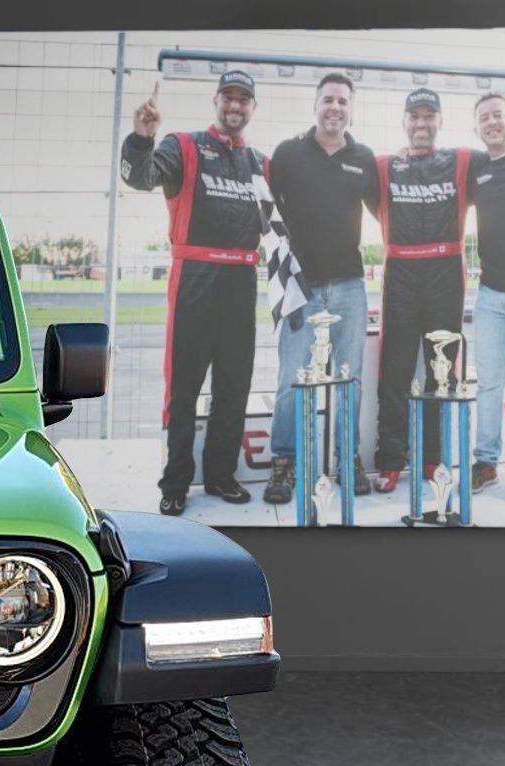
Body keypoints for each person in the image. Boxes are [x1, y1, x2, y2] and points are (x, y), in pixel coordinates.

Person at [121, 71, 266, 516]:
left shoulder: (262, 163)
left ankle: (221, 475)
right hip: (195, 278)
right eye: (229, 97)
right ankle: (176, 482)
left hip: (242, 281)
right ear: (216, 101)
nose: (235, 105)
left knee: (233, 387)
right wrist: (142, 138)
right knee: (182, 388)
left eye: (244, 99)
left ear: (252, 108)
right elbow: (140, 177)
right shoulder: (184, 145)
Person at [264, 73, 377, 504]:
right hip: (300, 285)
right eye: (328, 99)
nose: (335, 107)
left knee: (348, 379)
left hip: (350, 284)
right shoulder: (289, 153)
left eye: (343, 101)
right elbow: (264, 213)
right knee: (292, 379)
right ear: (316, 104)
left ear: (351, 108)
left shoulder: (363, 157)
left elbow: (388, 214)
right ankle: (285, 460)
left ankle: (347, 459)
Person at [371, 88, 477, 493]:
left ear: (439, 121)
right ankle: (391, 459)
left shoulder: (463, 160)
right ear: (403, 121)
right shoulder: (383, 166)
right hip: (400, 273)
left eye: (428, 116)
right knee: (394, 372)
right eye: (414, 116)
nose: (421, 123)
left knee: (441, 374)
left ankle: (433, 458)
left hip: (446, 274)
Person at [468, 93, 505, 495]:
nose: (491, 122)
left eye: (497, 115)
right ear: (476, 126)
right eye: (484, 117)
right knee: (488, 383)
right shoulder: (477, 170)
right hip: (489, 294)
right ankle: (485, 463)